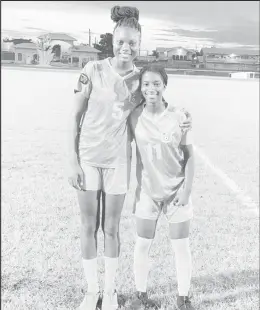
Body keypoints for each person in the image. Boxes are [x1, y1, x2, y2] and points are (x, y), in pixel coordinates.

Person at [68, 5, 192, 310]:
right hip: (87, 159)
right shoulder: (92, 71)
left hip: (118, 163)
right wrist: (71, 159)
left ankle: (109, 291)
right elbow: (75, 116)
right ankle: (91, 290)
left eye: (132, 43)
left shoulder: (140, 78)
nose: (126, 47)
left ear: (139, 44)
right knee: (87, 225)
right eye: (120, 41)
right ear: (112, 39)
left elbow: (157, 101)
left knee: (111, 228)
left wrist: (182, 117)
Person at [129, 65, 195, 310]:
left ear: (165, 86)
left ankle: (183, 298)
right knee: (142, 243)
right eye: (146, 83)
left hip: (176, 192)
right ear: (140, 87)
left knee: (180, 245)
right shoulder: (134, 116)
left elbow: (190, 155)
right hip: (148, 192)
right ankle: (141, 295)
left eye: (156, 83)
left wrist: (186, 191)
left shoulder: (179, 116)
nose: (151, 88)